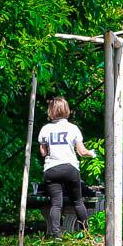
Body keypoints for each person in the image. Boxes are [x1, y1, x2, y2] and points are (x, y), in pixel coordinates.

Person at [37, 97, 96, 237]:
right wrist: (92, 154)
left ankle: (56, 235)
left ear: (50, 111)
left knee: (56, 204)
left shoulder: (45, 129)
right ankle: (87, 233)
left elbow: (43, 152)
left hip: (52, 169)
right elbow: (81, 152)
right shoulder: (73, 128)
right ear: (66, 110)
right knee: (77, 201)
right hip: (70, 168)